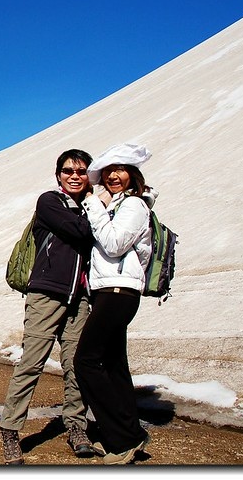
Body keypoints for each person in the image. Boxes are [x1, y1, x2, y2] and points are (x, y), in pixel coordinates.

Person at [0, 149, 98, 465]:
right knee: (32, 362)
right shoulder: (49, 202)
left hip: (79, 298)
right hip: (46, 294)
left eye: (81, 171)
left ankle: (76, 428)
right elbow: (81, 232)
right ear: (58, 175)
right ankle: (11, 430)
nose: (74, 175)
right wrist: (96, 216)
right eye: (68, 170)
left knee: (76, 364)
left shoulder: (89, 208)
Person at [74, 143, 156, 465]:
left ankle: (122, 440)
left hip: (118, 291)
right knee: (114, 364)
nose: (113, 177)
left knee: (86, 361)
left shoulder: (134, 205)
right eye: (108, 173)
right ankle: (130, 431)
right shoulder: (117, 206)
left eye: (119, 171)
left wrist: (93, 204)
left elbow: (113, 244)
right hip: (111, 290)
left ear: (133, 174)